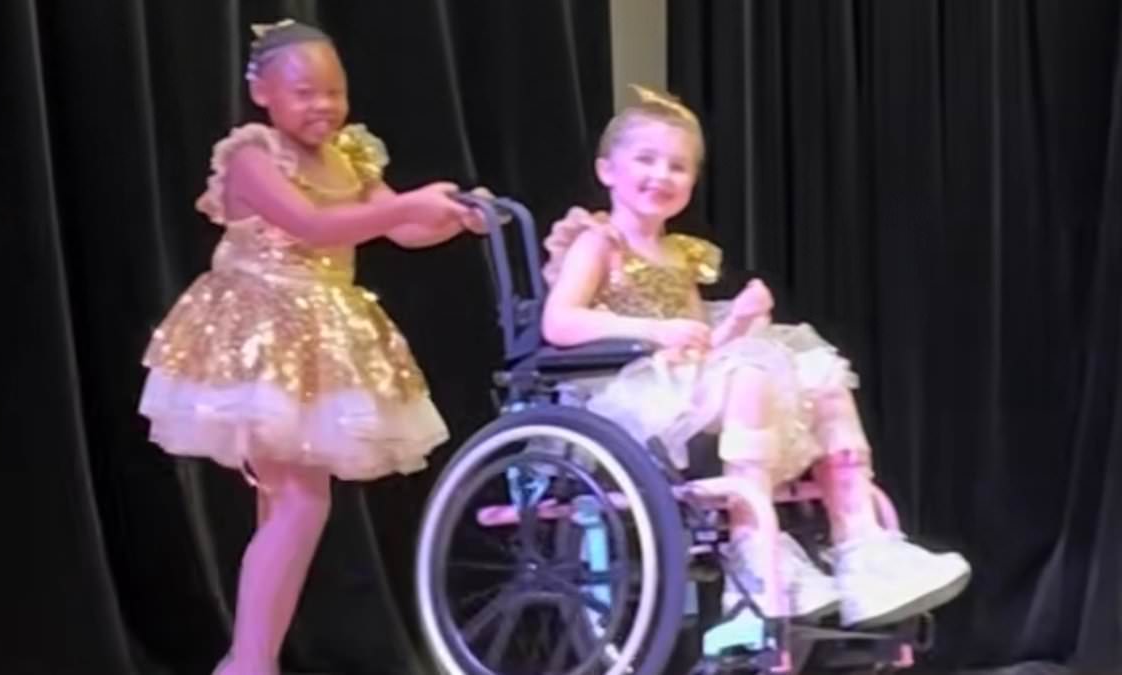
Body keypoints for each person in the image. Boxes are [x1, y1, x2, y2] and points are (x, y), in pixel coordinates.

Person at [540, 85, 970, 628]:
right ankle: (751, 550)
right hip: (626, 390)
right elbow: (560, 322)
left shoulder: (683, 256)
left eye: (677, 166)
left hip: (691, 382)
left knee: (820, 374)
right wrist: (655, 330)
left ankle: (861, 543)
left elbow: (704, 343)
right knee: (748, 373)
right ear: (607, 170)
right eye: (646, 159)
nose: (661, 175)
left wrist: (739, 321)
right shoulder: (599, 243)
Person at [138, 20, 484, 675]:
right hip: (262, 330)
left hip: (324, 331)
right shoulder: (252, 156)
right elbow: (312, 223)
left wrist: (452, 218)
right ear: (262, 92)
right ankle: (249, 662)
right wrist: (408, 205)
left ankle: (250, 658)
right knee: (300, 501)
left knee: (287, 503)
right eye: (305, 92)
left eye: (334, 91)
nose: (323, 105)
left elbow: (400, 229)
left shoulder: (352, 154)